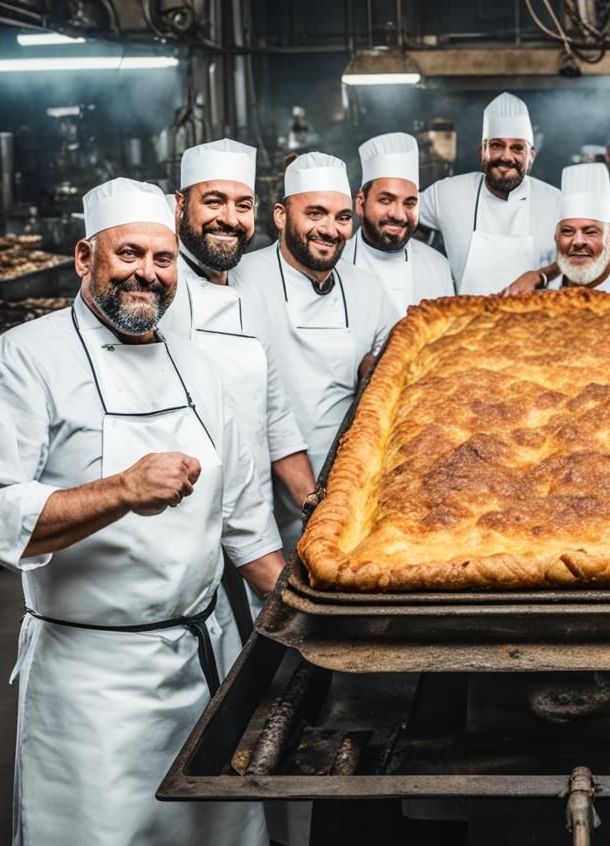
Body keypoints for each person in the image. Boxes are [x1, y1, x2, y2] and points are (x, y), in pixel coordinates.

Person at [0, 177, 282, 846]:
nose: (148, 272)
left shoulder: (200, 368)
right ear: (86, 256)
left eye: (162, 257)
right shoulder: (22, 360)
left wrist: (321, 614)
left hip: (204, 661)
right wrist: (120, 490)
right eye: (128, 254)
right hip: (94, 685)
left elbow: (244, 522)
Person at [161, 139, 314, 623]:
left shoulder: (248, 291)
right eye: (213, 201)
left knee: (248, 647)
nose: (229, 217)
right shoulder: (157, 294)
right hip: (182, 521)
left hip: (251, 511)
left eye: (242, 204)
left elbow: (275, 414)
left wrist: (315, 505)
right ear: (180, 205)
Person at [232, 152, 399, 552]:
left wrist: (372, 370)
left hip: (347, 492)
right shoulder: (239, 282)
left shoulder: (367, 289)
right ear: (279, 215)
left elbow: (398, 366)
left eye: (342, 218)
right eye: (316, 214)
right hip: (259, 499)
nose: (330, 229)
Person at [417, 92, 562, 294]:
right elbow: (396, 211)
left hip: (536, 322)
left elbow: (583, 255)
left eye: (517, 148)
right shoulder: (447, 193)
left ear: (531, 156)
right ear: (482, 151)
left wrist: (542, 275)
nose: (506, 156)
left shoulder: (556, 202)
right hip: (467, 321)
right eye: (496, 146)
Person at [516, 162, 610, 295]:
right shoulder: (536, 292)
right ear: (556, 236)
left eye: (590, 232)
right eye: (568, 231)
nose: (578, 241)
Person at [349, 131, 454, 314]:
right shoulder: (333, 264)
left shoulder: (437, 266)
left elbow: (448, 339)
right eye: (386, 200)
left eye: (409, 203)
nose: (399, 215)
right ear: (360, 203)